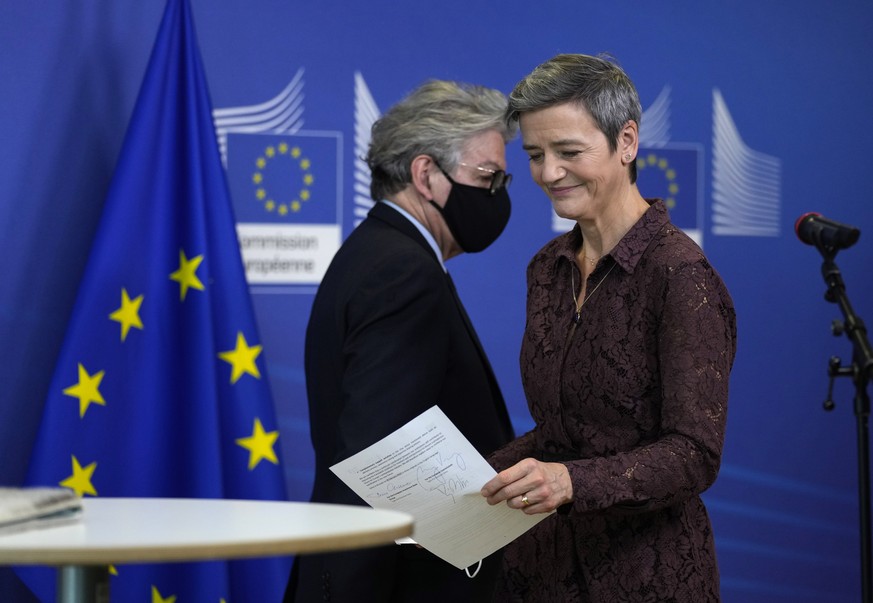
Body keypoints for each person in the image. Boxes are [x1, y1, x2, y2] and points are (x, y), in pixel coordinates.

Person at [480, 53, 737, 602]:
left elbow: (693, 454)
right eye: (534, 155)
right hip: (540, 574)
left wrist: (570, 481)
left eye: (569, 152)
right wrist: (480, 476)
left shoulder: (681, 276)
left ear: (626, 142)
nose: (548, 174)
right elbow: (565, 431)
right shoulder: (546, 268)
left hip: (646, 579)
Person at [284, 80, 517, 602]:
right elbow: (375, 460)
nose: (500, 196)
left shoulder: (378, 253)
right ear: (426, 174)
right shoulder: (403, 272)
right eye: (488, 178)